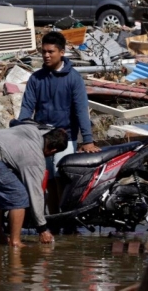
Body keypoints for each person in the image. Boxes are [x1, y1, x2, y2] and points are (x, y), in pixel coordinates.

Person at [19, 31, 100, 213]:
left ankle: (67, 217)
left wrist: (87, 140)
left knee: (62, 178)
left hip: (66, 137)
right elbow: (27, 108)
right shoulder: (36, 78)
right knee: (47, 180)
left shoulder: (74, 79)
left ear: (62, 52)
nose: (46, 55)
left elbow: (81, 110)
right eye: (44, 52)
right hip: (42, 138)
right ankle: (54, 218)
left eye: (51, 52)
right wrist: (20, 129)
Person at [0, 123, 70, 247]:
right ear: (53, 150)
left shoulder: (32, 129)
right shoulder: (34, 157)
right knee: (19, 196)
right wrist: (42, 228)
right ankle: (15, 242)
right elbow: (35, 193)